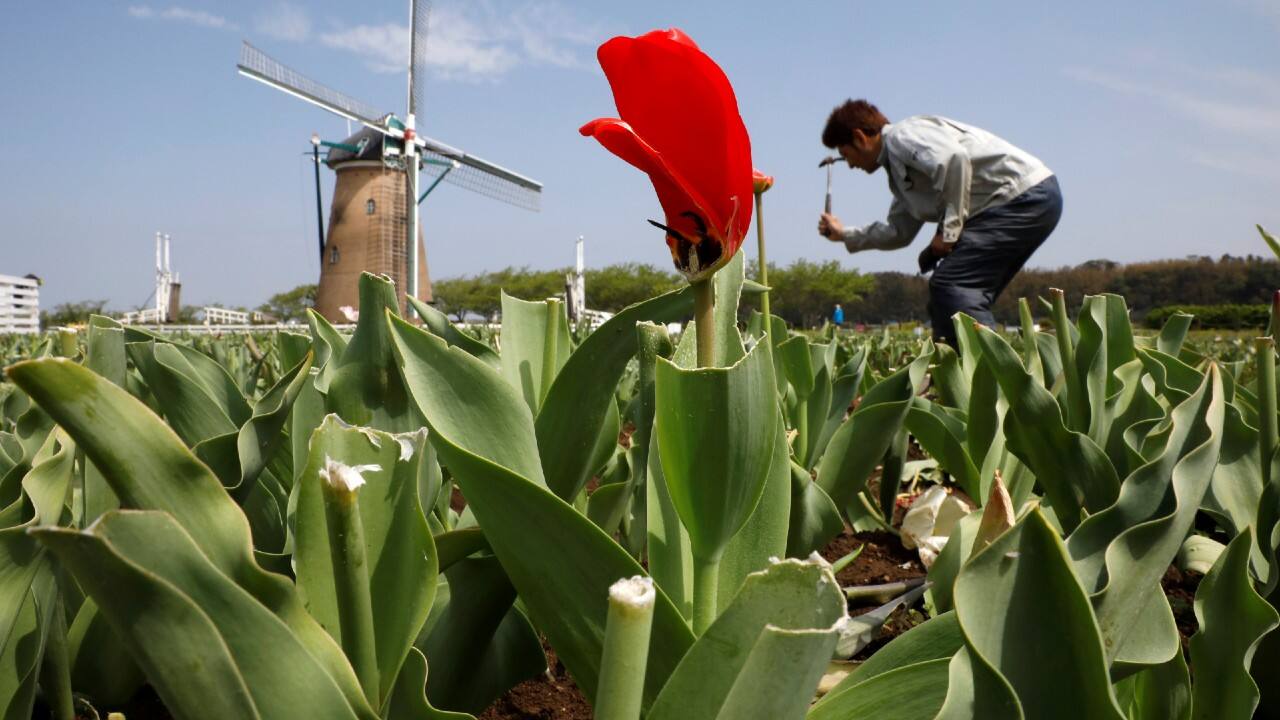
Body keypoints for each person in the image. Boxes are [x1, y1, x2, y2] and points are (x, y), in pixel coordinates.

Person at [816, 99, 1062, 345]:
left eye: (846, 154)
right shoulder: (901, 174)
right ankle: (953, 371)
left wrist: (948, 232)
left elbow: (953, 159)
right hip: (1019, 202)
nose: (849, 165)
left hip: (1022, 196)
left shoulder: (902, 136)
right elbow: (898, 232)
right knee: (951, 295)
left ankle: (983, 375)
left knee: (953, 284)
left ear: (860, 138)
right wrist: (844, 234)